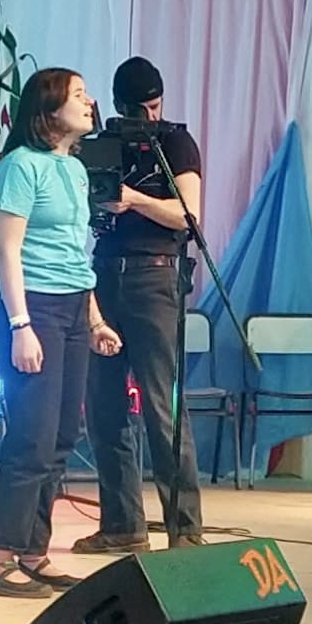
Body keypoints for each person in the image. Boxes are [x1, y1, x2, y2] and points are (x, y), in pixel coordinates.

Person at [0, 68, 123, 598]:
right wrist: (20, 325)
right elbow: (6, 249)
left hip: (72, 307)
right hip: (33, 307)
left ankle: (34, 552)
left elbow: (75, 256)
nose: (89, 101)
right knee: (32, 438)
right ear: (49, 109)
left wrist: (96, 319)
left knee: (62, 436)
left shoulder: (76, 170)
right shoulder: (20, 165)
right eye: (78, 95)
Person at [74, 56, 206, 554]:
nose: (149, 116)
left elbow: (188, 215)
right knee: (104, 407)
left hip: (156, 275)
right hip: (104, 273)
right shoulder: (99, 143)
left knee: (161, 406)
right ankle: (123, 524)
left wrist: (133, 199)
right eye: (139, 109)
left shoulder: (175, 142)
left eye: (155, 106)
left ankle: (184, 528)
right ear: (119, 105)